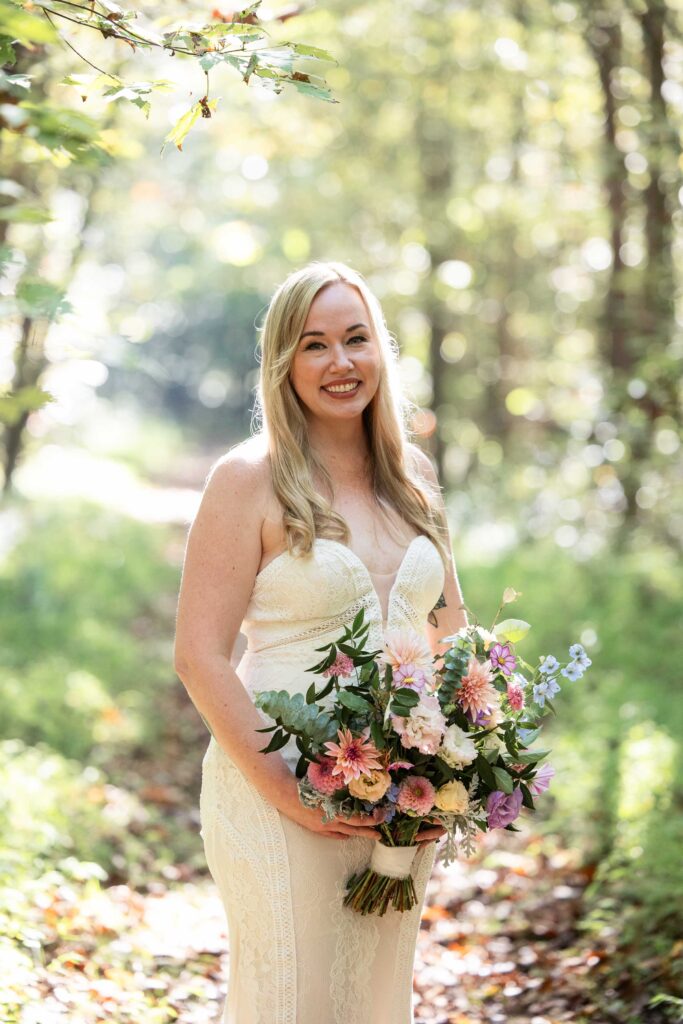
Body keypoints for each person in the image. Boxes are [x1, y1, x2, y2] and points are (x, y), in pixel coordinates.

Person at [173, 260, 468, 1024]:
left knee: (373, 999)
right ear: (283, 362)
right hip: (276, 787)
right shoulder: (249, 480)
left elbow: (449, 630)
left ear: (380, 352)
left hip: (400, 796)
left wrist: (453, 764)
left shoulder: (414, 479)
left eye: (355, 339)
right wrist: (284, 787)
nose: (340, 363)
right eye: (313, 344)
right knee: (293, 1000)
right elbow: (198, 653)